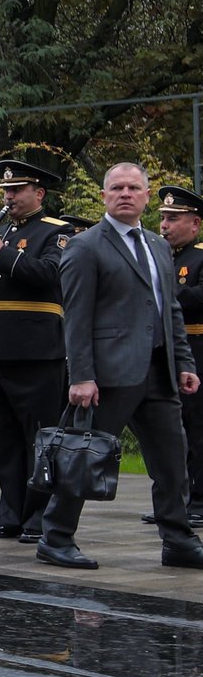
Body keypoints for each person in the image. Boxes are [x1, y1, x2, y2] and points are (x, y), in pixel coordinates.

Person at [40, 163, 203, 570]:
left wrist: (182, 360)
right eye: (117, 188)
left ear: (146, 196)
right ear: (104, 197)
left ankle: (178, 540)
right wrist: (80, 375)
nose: (125, 193)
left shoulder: (158, 246)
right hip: (108, 375)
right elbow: (75, 316)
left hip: (158, 370)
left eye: (134, 187)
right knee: (83, 457)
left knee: (172, 460)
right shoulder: (85, 246)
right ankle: (55, 538)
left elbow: (170, 311)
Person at [0, 159, 71, 544]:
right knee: (3, 438)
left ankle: (38, 519)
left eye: (16, 191)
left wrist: (3, 252)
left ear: (39, 194)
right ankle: (10, 515)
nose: (8, 197)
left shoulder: (58, 232)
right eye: (6, 191)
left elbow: (50, 275)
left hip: (36, 352)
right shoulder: (3, 233)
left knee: (40, 439)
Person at [158, 185, 203, 527]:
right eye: (162, 219)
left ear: (195, 224)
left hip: (198, 350)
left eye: (173, 219)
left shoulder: (200, 256)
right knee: (175, 430)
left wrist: (166, 294)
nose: (165, 226)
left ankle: (199, 499)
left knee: (198, 427)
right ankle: (179, 498)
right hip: (170, 351)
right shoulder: (163, 258)